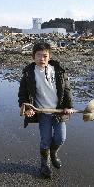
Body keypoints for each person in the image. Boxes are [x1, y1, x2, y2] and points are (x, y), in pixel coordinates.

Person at [18, 42, 74, 178]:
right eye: (38, 55)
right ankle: (45, 164)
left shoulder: (58, 70)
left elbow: (66, 90)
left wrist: (69, 106)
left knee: (61, 138)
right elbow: (23, 94)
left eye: (45, 56)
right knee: (45, 140)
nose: (41, 59)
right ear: (33, 56)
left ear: (49, 57)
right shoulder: (28, 74)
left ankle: (53, 153)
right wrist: (27, 108)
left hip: (58, 111)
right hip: (42, 112)